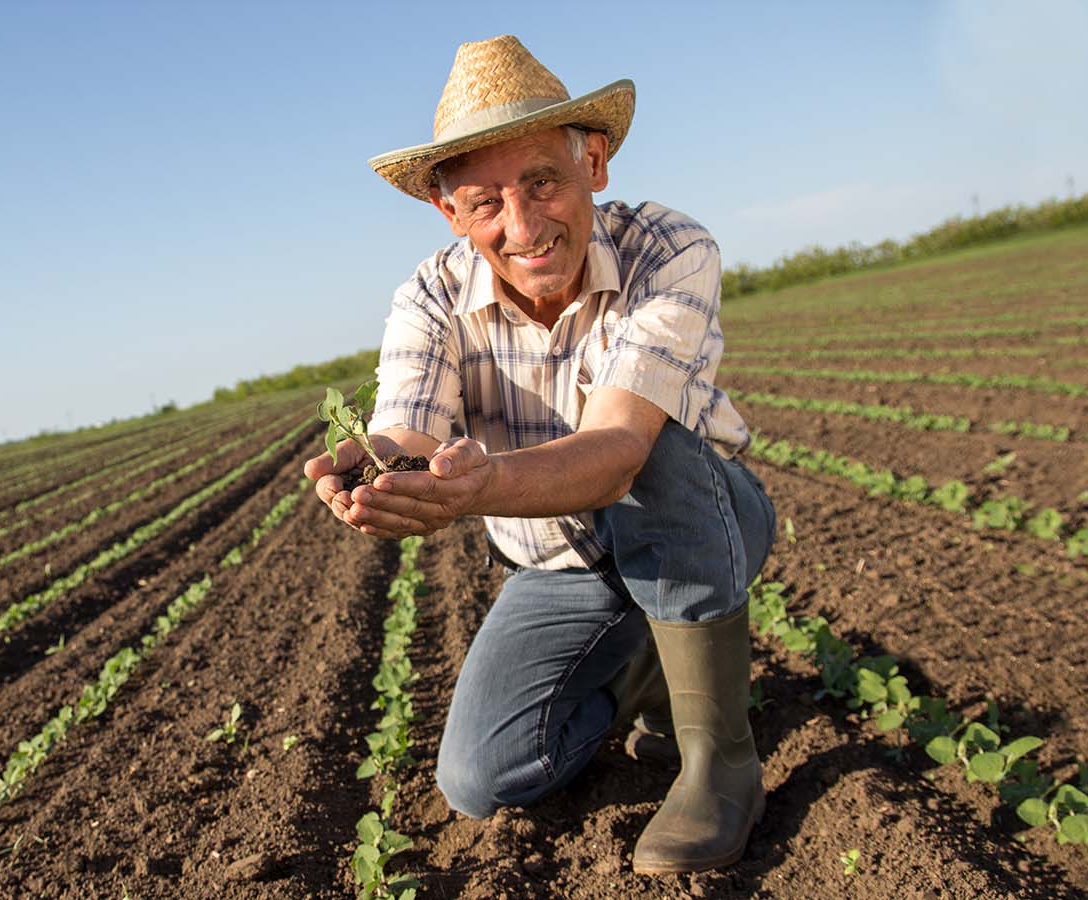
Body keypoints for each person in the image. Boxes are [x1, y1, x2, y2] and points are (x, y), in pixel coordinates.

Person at [302, 35, 776, 876]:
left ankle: (719, 761)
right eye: (484, 202)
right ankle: (643, 668)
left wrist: (482, 485)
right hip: (563, 565)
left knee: (659, 450)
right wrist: (379, 467)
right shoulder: (430, 296)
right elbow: (409, 429)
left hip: (699, 521)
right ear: (450, 214)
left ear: (593, 162)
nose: (523, 227)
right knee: (481, 777)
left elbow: (621, 450)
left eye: (543, 183)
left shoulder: (667, 249)